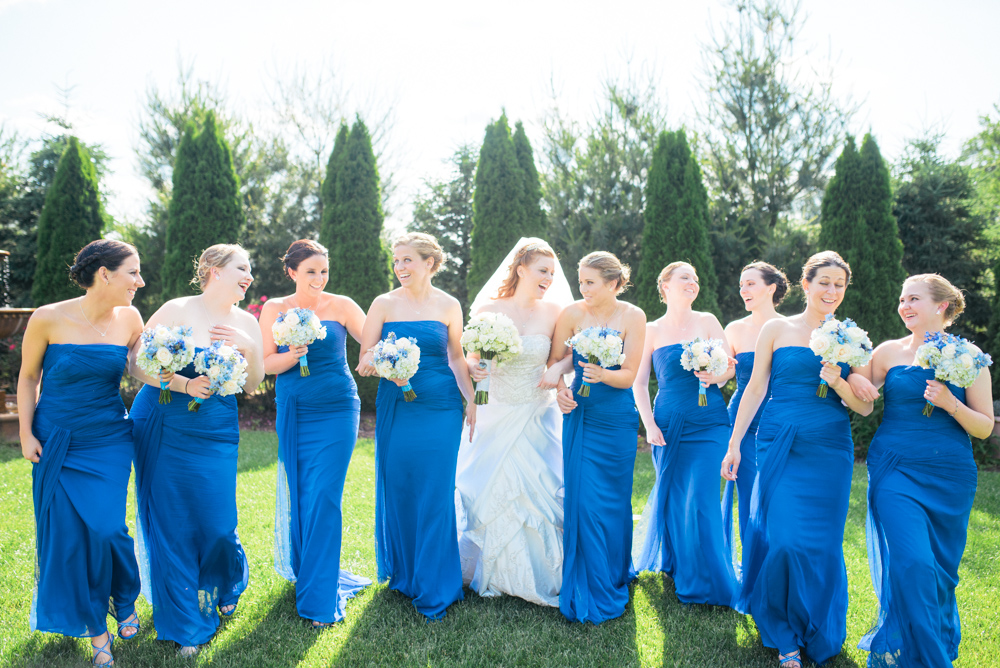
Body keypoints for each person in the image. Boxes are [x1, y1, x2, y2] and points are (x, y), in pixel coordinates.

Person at [721, 250, 873, 668]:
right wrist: (734, 444)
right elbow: (754, 389)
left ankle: (817, 626)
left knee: (821, 544)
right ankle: (782, 630)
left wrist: (839, 380)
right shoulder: (776, 328)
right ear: (805, 285)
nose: (832, 291)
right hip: (778, 440)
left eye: (839, 285)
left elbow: (863, 409)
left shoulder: (852, 337)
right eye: (824, 282)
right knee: (785, 540)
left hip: (829, 448)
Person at [848, 274, 994, 668]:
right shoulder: (886, 352)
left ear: (941, 305)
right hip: (894, 467)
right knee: (912, 563)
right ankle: (931, 662)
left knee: (939, 572)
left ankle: (928, 647)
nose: (903, 306)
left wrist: (950, 403)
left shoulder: (970, 356)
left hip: (950, 473)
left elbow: (983, 427)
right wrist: (845, 376)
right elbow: (862, 397)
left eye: (913, 298)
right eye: (901, 299)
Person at [130, 244, 264, 656]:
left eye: (250, 268)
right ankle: (187, 623)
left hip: (216, 429)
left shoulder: (246, 321)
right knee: (172, 523)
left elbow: (253, 384)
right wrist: (182, 384)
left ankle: (221, 582)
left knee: (219, 524)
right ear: (212, 269)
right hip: (165, 420)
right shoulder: (177, 309)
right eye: (241, 267)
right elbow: (137, 364)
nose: (249, 275)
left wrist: (250, 346)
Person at [19, 240, 146, 667]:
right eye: (133, 272)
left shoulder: (131, 318)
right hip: (56, 439)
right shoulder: (48, 317)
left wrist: (177, 368)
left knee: (109, 529)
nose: (140, 281)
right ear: (105, 274)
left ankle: (124, 595)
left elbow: (140, 368)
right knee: (71, 541)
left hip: (109, 437)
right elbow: (28, 377)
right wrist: (24, 432)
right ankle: (98, 637)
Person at [357, 232, 475, 620]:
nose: (400, 267)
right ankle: (407, 574)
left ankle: (436, 581)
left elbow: (456, 358)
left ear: (430, 263)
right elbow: (365, 357)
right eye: (396, 260)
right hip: (397, 404)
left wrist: (471, 399)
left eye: (408, 260)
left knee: (436, 489)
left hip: (441, 403)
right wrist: (381, 363)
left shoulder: (450, 304)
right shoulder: (383, 303)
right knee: (403, 485)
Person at [455, 238, 574, 607]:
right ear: (521, 269)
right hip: (495, 408)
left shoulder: (555, 311)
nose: (549, 279)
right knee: (490, 487)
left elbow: (569, 356)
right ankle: (487, 568)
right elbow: (471, 358)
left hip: (538, 411)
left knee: (541, 486)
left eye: (552, 274)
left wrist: (556, 368)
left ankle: (543, 572)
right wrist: (475, 367)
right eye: (542, 271)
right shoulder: (489, 308)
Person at [259, 240, 371, 628]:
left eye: (324, 271)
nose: (320, 279)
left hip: (338, 407)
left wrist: (374, 358)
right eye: (311, 272)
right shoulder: (275, 309)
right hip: (295, 409)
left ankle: (318, 598)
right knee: (302, 495)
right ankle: (311, 573)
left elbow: (370, 342)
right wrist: (293, 353)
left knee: (324, 496)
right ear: (291, 272)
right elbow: (266, 363)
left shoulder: (341, 305)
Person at [631, 261, 737, 606]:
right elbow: (639, 381)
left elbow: (729, 367)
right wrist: (648, 424)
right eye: (685, 277)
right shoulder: (651, 329)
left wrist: (715, 377)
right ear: (665, 286)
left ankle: (710, 580)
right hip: (668, 423)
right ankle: (679, 565)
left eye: (695, 277)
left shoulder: (707, 321)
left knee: (702, 499)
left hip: (709, 422)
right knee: (675, 498)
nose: (693, 282)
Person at [549, 251, 646, 624]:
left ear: (613, 283)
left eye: (590, 282)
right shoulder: (571, 314)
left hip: (617, 416)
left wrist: (603, 374)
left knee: (615, 500)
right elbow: (555, 361)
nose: (583, 288)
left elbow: (630, 374)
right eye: (581, 281)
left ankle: (614, 571)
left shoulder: (633, 316)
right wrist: (559, 390)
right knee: (585, 501)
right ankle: (588, 582)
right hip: (581, 415)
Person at [722, 262, 788, 544]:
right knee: (749, 496)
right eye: (741, 285)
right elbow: (726, 372)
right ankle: (753, 576)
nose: (743, 290)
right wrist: (710, 372)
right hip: (744, 422)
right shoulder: (735, 329)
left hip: (782, 421)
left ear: (770, 288)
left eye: (750, 283)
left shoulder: (790, 328)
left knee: (782, 497)